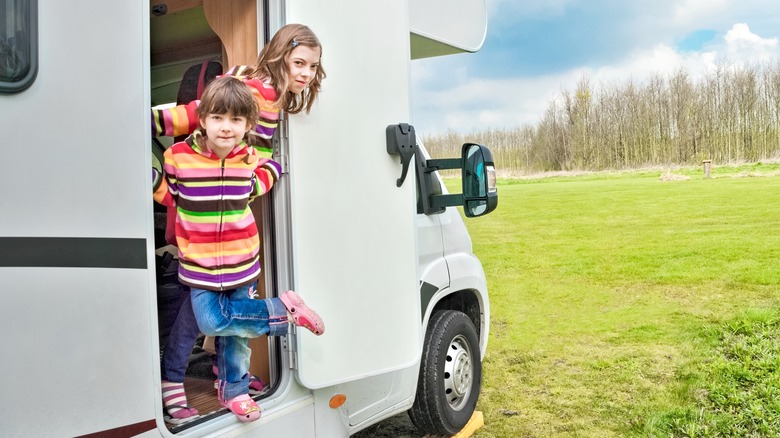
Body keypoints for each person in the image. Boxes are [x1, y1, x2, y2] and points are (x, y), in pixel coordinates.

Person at [151, 23, 326, 424]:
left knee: (221, 316)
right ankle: (177, 379)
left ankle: (231, 382)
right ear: (280, 56)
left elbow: (258, 159)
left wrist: (261, 176)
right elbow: (193, 116)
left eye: (313, 68)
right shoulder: (251, 91)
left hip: (230, 229)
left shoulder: (273, 98)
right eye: (298, 63)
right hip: (198, 221)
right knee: (198, 315)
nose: (305, 74)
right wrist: (144, 123)